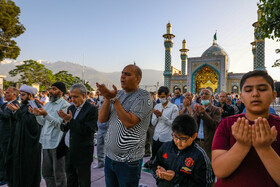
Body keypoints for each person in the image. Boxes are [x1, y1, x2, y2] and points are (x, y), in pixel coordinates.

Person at [211, 70, 280, 186]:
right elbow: (219, 171)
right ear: (242, 97)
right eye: (248, 90)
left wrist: (264, 148)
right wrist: (242, 145)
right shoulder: (227, 124)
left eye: (262, 89)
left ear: (273, 95)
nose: (255, 94)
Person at [97, 64, 153, 187]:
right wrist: (107, 98)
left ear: (138, 78)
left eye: (127, 74)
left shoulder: (144, 97)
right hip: (110, 158)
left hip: (129, 161)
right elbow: (101, 119)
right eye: (122, 73)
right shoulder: (119, 94)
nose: (122, 77)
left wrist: (115, 100)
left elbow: (129, 123)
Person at [151, 114, 214, 186]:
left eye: (183, 139)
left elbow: (205, 184)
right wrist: (158, 173)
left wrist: (175, 178)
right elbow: (154, 164)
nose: (178, 142)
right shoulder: (166, 147)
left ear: (194, 136)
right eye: (175, 136)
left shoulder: (199, 156)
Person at [57, 84, 98, 187]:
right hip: (69, 151)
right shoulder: (71, 108)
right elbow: (64, 128)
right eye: (71, 97)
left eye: (75, 96)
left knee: (83, 181)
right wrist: (65, 122)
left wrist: (70, 120)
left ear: (83, 95)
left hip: (82, 153)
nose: (72, 99)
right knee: (70, 180)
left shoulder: (91, 109)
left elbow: (87, 131)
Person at [33, 82, 70, 187]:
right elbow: (42, 123)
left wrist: (46, 115)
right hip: (46, 142)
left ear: (61, 92)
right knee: (47, 173)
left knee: (59, 175)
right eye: (51, 89)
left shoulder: (65, 105)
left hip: (57, 143)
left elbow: (60, 125)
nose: (51, 91)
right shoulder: (48, 104)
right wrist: (37, 115)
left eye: (54, 89)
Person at [6, 85, 41, 187]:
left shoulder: (35, 107)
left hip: (28, 147)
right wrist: (15, 112)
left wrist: (17, 112)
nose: (20, 97)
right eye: (20, 95)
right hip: (18, 143)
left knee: (27, 173)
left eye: (23, 95)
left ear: (30, 95)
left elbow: (33, 125)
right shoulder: (23, 106)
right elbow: (19, 121)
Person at [147, 86, 178, 166]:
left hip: (167, 138)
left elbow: (173, 124)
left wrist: (162, 116)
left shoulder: (173, 108)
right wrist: (157, 116)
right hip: (156, 136)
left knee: (165, 161)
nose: (161, 99)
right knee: (155, 159)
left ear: (168, 96)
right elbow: (153, 123)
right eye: (160, 97)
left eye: (163, 97)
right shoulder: (157, 106)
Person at [193, 88, 221, 159]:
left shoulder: (216, 110)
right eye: (201, 94)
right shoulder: (196, 108)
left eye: (206, 94)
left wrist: (203, 113)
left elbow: (214, 125)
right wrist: (197, 113)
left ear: (211, 97)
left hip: (208, 142)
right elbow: (192, 123)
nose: (203, 95)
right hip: (196, 141)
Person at [0, 87, 19, 185]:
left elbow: (5, 116)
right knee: (1, 157)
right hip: (2, 134)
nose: (5, 94)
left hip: (8, 136)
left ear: (14, 95)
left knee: (6, 158)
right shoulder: (4, 104)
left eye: (7, 93)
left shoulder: (15, 104)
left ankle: (6, 178)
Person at [93, 94, 109, 169]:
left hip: (108, 129)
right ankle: (100, 162)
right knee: (99, 146)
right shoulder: (99, 103)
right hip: (100, 128)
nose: (103, 97)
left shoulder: (111, 104)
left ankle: (107, 165)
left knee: (108, 148)